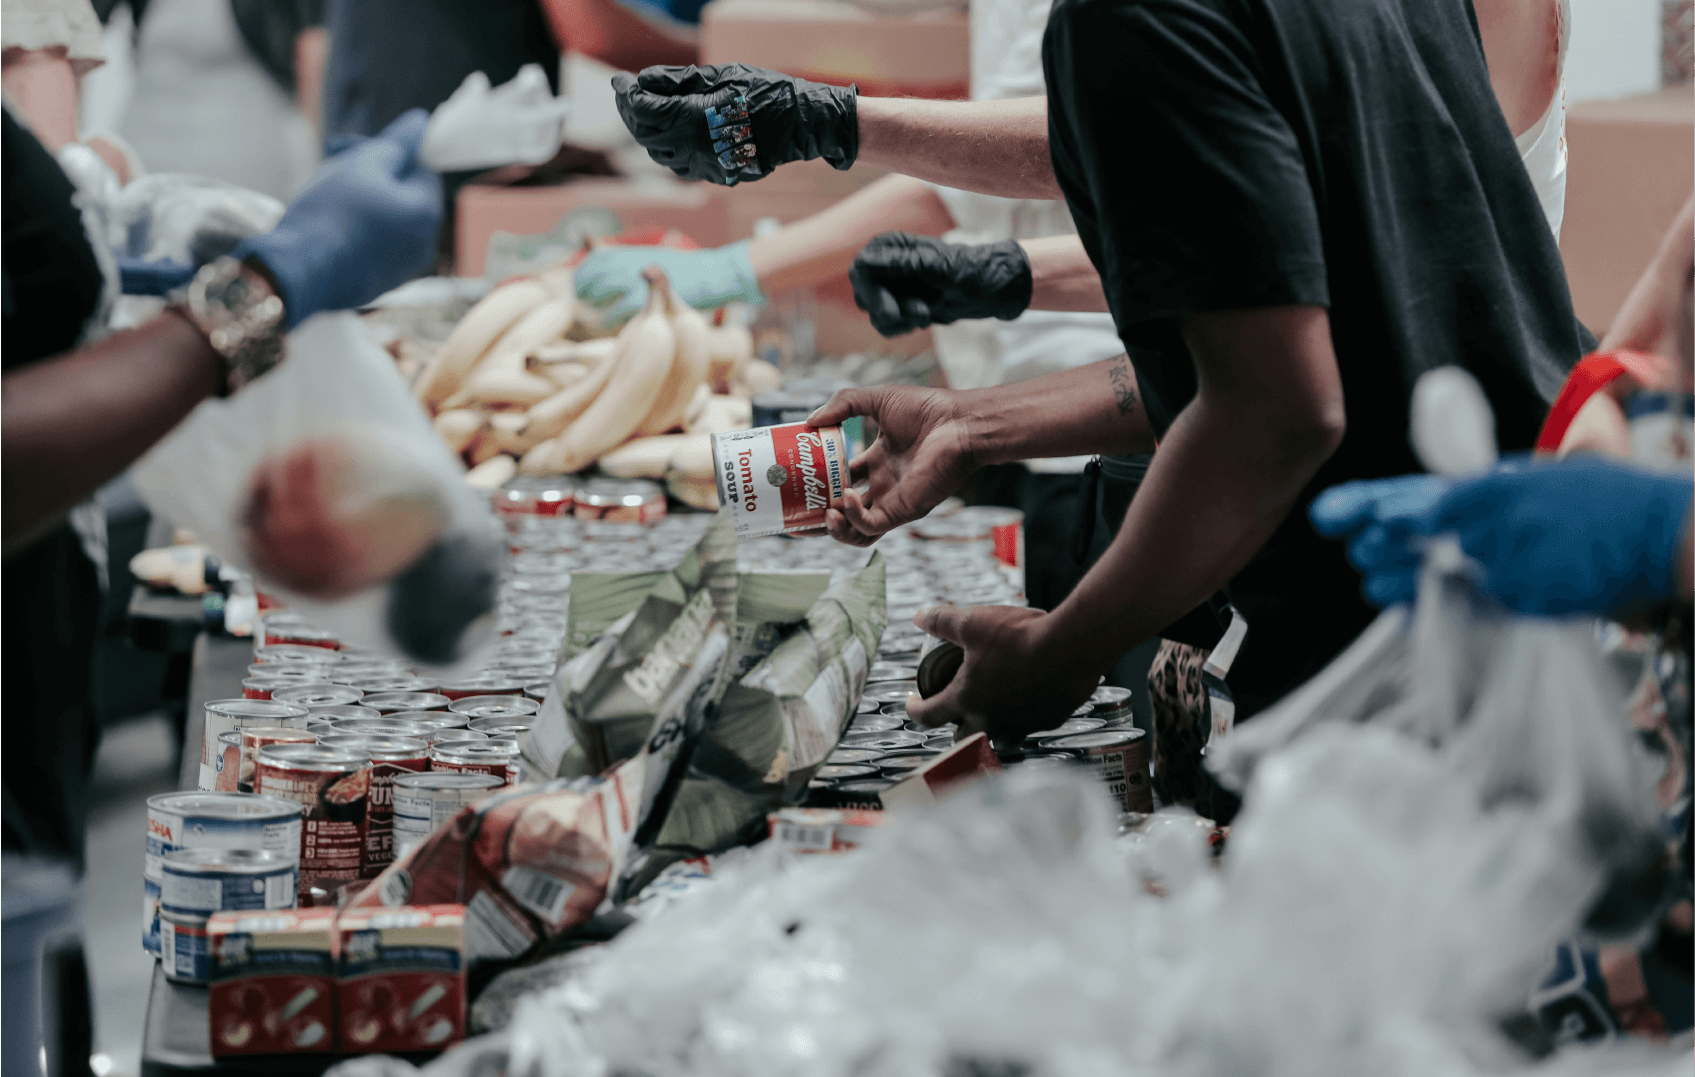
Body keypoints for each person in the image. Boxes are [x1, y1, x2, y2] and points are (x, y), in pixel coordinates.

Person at [611, 0, 1586, 764]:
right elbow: (1187, 144)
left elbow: (1275, 410)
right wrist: (841, 129)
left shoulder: (1127, 15)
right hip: (1531, 558)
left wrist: (1061, 653)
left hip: (1386, 627)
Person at [577, 0, 1125, 614]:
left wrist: (823, 127)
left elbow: (1087, 146)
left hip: (1113, 410)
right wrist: (1006, 281)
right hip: (1049, 392)